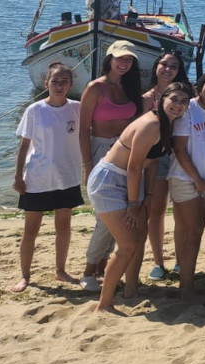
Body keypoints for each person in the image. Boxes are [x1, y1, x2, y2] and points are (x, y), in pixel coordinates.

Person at [88, 82, 190, 313]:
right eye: (174, 99)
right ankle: (104, 305)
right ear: (162, 99)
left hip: (134, 181)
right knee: (127, 244)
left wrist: (150, 195)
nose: (178, 105)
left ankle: (131, 290)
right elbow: (134, 167)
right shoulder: (152, 124)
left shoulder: (169, 125)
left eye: (184, 101)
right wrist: (134, 204)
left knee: (140, 234)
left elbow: (152, 161)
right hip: (110, 181)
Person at [10, 62, 84, 293]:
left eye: (64, 82)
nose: (59, 86)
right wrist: (17, 176)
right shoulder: (35, 110)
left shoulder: (77, 108)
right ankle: (25, 276)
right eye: (55, 81)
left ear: (71, 84)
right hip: (38, 177)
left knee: (64, 226)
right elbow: (24, 146)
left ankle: (60, 270)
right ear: (46, 83)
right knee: (31, 229)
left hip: (67, 177)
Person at [78, 40, 143, 293]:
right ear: (110, 58)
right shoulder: (95, 88)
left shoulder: (130, 88)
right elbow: (83, 130)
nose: (124, 63)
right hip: (99, 150)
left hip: (125, 155)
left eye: (129, 59)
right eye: (120, 58)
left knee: (121, 212)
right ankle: (89, 267)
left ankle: (102, 266)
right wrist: (87, 164)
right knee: (105, 217)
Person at [169, 67, 205, 302]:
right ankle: (186, 287)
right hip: (185, 178)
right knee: (190, 231)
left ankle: (187, 278)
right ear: (201, 84)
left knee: (195, 232)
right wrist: (197, 179)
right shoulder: (188, 108)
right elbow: (180, 149)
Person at [141, 49, 190, 281]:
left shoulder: (186, 96)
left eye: (174, 66)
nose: (168, 69)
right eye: (164, 64)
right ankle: (158, 263)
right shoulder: (146, 99)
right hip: (157, 158)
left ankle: (181, 261)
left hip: (182, 157)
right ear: (156, 67)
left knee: (181, 210)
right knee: (156, 212)